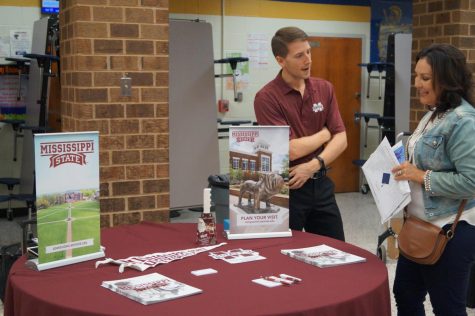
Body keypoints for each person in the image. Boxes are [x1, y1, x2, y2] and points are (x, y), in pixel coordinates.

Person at [391, 43, 475, 315]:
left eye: (425, 78)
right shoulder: (432, 113)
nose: (416, 84)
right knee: (404, 294)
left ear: (448, 80)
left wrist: (420, 175)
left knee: (448, 308)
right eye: (416, 76)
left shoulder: (464, 121)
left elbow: (471, 182)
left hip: (450, 231)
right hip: (418, 226)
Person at [254, 26, 347, 241]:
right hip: (287, 189)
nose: (308, 60)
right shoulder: (266, 98)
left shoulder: (325, 89)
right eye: (299, 55)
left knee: (335, 251)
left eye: (308, 52)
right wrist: (324, 136)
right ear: (280, 60)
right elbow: (288, 150)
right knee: (284, 254)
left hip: (321, 183)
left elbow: (341, 138)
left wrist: (314, 165)